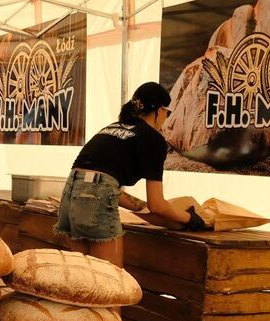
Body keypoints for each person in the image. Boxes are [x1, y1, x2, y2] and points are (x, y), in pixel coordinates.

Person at [55, 82, 207, 267]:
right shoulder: (153, 139)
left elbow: (101, 182)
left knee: (84, 280)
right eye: (168, 113)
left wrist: (138, 206)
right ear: (159, 110)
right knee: (110, 283)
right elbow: (157, 205)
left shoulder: (112, 128)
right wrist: (190, 219)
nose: (166, 119)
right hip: (94, 200)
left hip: (70, 196)